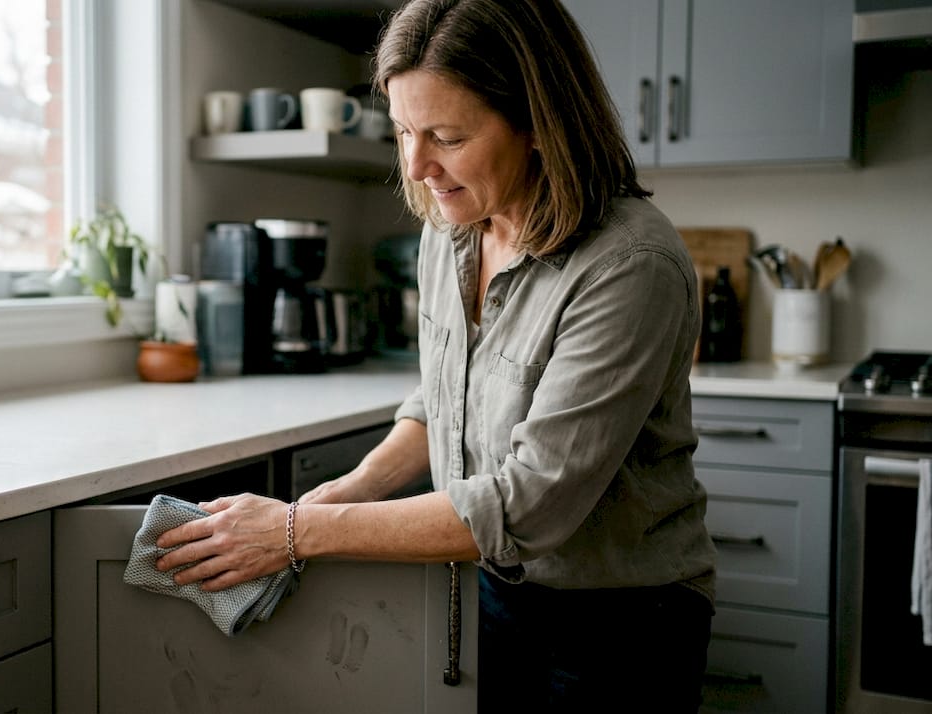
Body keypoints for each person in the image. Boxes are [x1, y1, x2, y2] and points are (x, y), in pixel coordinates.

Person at [156, 0, 716, 710]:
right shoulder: (451, 230)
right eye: (403, 132)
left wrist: (299, 531)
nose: (418, 166)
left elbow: (528, 508)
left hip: (621, 621)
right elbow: (440, 403)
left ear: (539, 124)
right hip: (489, 588)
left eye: (446, 137)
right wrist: (344, 491)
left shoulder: (629, 264)